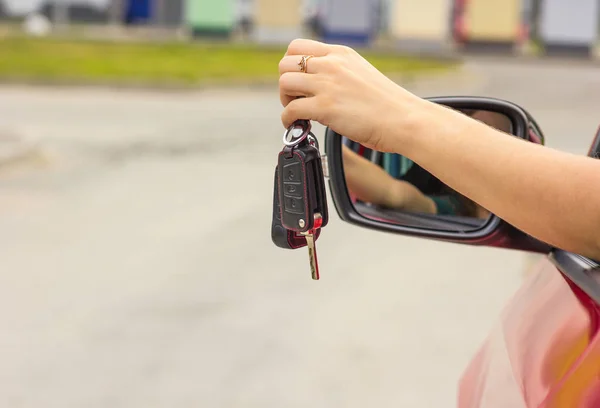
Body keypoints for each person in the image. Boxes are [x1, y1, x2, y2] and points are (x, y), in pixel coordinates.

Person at [278, 39, 600, 261]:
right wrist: (322, 159)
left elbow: (399, 195)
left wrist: (400, 118)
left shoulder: (466, 215)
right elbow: (396, 194)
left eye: (491, 142)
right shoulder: (452, 206)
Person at [343, 109, 510, 219]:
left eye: (490, 139)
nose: (475, 153)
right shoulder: (457, 206)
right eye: (467, 143)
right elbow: (394, 193)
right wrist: (340, 157)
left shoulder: (516, 209)